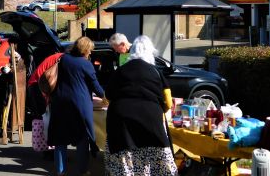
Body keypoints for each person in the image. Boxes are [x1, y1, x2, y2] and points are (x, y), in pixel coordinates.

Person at [104, 35, 176, 176]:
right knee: (154, 157)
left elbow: (108, 96)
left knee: (124, 159)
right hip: (151, 120)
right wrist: (161, 111)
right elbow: (168, 101)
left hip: (121, 120)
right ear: (150, 52)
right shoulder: (156, 71)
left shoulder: (121, 70)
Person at [48, 36, 106, 176]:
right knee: (82, 138)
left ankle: (60, 171)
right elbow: (95, 86)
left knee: (60, 139)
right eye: (90, 50)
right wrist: (105, 97)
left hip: (60, 103)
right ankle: (83, 170)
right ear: (85, 49)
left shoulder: (64, 59)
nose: (91, 53)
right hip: (79, 105)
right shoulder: (86, 64)